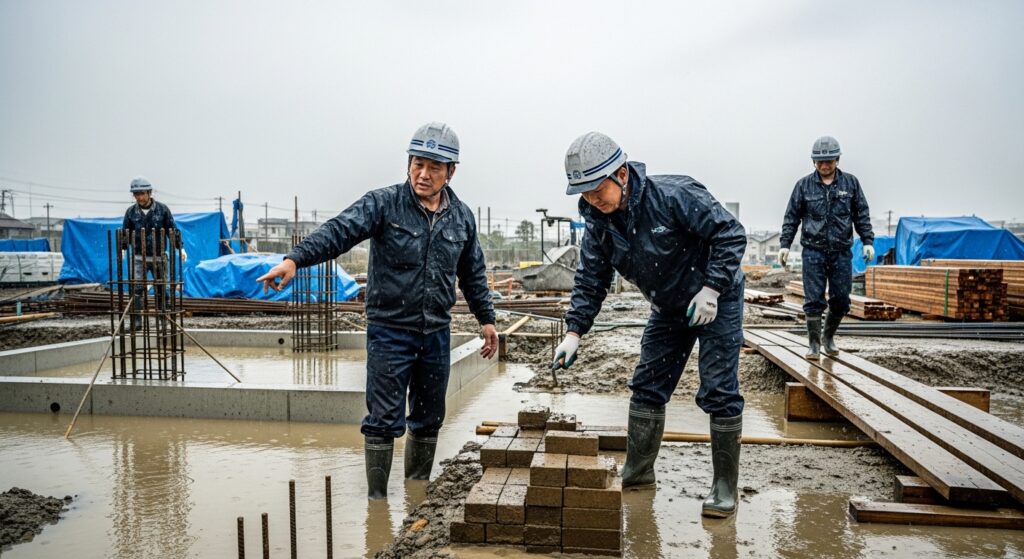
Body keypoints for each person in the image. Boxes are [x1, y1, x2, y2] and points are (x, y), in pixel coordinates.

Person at [256, 122, 498, 499]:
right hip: (390, 331)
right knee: (383, 421)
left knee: (429, 418)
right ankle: (377, 504)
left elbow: (473, 274)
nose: (423, 173)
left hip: (435, 332)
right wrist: (294, 260)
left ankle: (417, 493)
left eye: (434, 167)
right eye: (417, 163)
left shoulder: (461, 218)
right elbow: (339, 231)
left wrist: (487, 320)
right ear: (408, 163)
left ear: (451, 171)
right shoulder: (384, 204)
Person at [551, 132, 747, 518]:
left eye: (596, 189)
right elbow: (591, 280)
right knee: (647, 386)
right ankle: (638, 475)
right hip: (669, 308)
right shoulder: (599, 224)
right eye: (583, 192)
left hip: (715, 298)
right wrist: (574, 332)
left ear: (621, 174)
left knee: (719, 388)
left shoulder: (673, 196)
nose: (591, 199)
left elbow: (730, 233)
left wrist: (710, 288)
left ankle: (725, 488)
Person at [779, 136, 874, 360]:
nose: (824, 165)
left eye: (829, 161)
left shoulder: (851, 184)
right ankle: (813, 345)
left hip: (841, 252)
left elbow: (861, 214)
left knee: (841, 300)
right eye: (820, 162)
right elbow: (791, 217)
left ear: (837, 160)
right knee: (813, 300)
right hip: (813, 251)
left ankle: (828, 338)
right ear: (814, 162)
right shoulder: (803, 186)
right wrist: (784, 245)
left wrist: (868, 240)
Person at [121, 176, 185, 330]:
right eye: (136, 194)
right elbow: (125, 233)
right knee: (137, 290)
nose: (139, 197)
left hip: (159, 256)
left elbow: (172, 230)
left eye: (142, 193)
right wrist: (123, 248)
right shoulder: (131, 212)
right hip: (138, 257)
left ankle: (162, 321)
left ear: (149, 193)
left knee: (162, 289)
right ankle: (136, 322)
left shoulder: (162, 210)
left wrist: (180, 247)